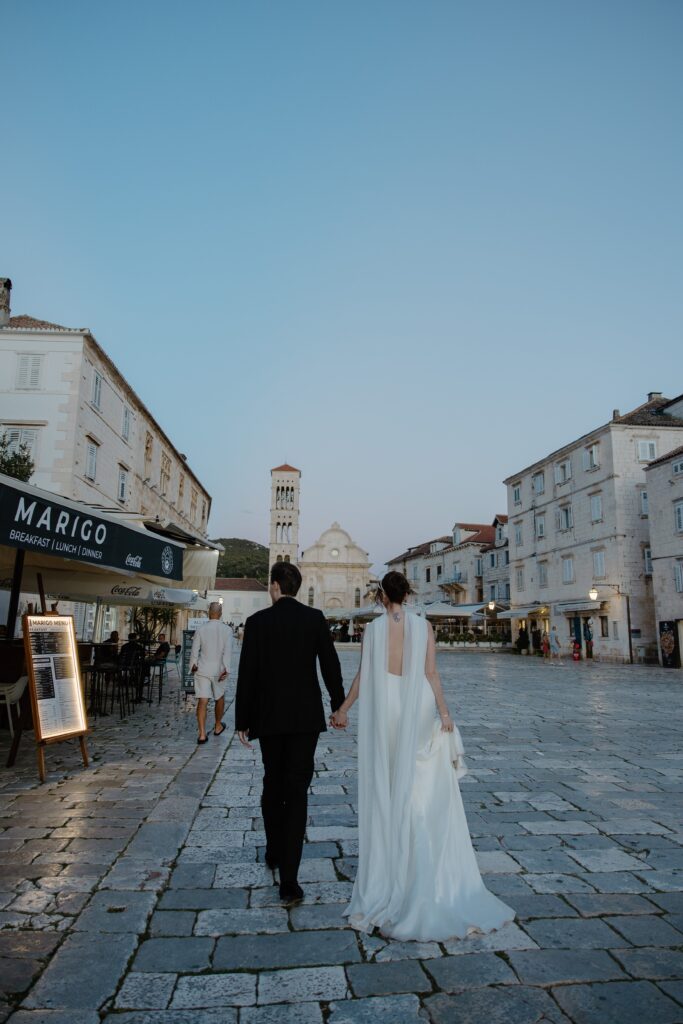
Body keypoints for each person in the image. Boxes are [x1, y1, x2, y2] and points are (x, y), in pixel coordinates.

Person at [330, 570, 514, 942]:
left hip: (386, 709)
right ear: (408, 594)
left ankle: (390, 865)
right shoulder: (423, 628)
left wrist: (343, 709)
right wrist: (445, 713)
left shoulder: (373, 631)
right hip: (417, 706)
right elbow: (431, 673)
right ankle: (419, 855)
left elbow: (363, 677)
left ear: (382, 595)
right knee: (414, 781)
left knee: (389, 777)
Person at [235, 561, 345, 906]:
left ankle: (273, 848)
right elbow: (330, 665)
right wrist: (338, 704)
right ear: (295, 587)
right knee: (297, 791)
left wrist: (242, 720)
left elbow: (247, 673)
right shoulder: (314, 619)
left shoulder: (256, 623)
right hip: (304, 719)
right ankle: (290, 882)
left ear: (274, 586)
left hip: (268, 719)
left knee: (272, 781)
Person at [190, 603, 232, 744]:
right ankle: (218, 725)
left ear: (209, 612)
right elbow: (228, 652)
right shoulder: (227, 630)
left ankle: (202, 734)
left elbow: (194, 651)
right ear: (220, 613)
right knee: (219, 697)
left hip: (202, 669)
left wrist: (193, 666)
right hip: (219, 670)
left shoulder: (201, 629)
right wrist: (226, 669)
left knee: (203, 700)